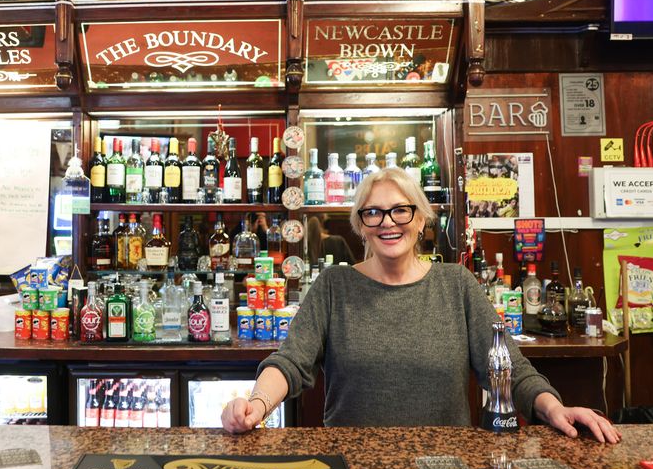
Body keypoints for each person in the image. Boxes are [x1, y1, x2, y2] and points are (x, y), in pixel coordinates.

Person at [222, 166, 621, 443]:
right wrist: (256, 405)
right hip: (352, 466)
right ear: (361, 225)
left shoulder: (456, 284)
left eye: (400, 210)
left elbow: (510, 368)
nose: (388, 222)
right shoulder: (334, 285)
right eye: (373, 213)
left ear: (420, 220)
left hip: (446, 467)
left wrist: (554, 409)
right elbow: (289, 361)